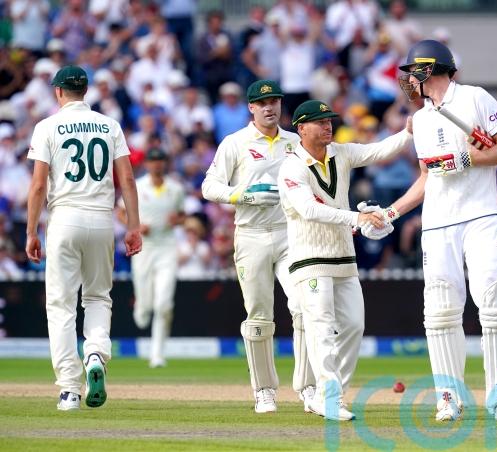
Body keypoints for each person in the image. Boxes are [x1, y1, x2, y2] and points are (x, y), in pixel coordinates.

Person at [387, 40, 497, 421]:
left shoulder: (476, 98)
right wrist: (392, 211)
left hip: (479, 215)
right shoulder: (421, 120)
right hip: (437, 223)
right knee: (440, 309)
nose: (408, 80)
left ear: (428, 69)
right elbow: (427, 178)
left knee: (496, 301)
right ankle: (448, 397)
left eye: (412, 72)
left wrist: (468, 157)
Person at [278, 100, 412, 421]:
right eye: (320, 122)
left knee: (353, 325)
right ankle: (329, 397)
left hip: (343, 257)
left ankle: (330, 395)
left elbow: (378, 151)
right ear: (302, 128)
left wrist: (408, 133)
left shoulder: (342, 153)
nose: (328, 126)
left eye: (329, 121)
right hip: (310, 257)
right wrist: (357, 218)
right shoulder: (292, 167)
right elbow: (309, 209)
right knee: (322, 327)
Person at [25, 65, 142, 410]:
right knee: (98, 297)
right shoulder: (110, 125)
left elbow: (38, 185)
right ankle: (95, 355)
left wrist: (31, 231)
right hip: (101, 219)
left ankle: (69, 390)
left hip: (64, 218)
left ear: (58, 91)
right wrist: (133, 226)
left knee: (61, 304)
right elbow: (128, 180)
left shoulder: (47, 126)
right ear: (86, 91)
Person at [201, 80, 315, 414]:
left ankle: (308, 387)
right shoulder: (235, 143)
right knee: (259, 317)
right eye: (262, 103)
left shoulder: (295, 142)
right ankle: (264, 391)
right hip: (251, 235)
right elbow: (209, 186)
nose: (269, 108)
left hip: (290, 233)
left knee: (305, 307)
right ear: (251, 107)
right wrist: (242, 195)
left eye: (274, 101)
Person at [117, 148, 185, 368]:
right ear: (147, 164)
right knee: (145, 309)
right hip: (143, 248)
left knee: (164, 304)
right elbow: (120, 211)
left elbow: (182, 215)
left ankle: (157, 355)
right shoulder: (138, 185)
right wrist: (135, 226)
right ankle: (141, 306)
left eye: (160, 160)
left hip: (167, 248)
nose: (157, 164)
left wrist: (177, 220)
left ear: (165, 163)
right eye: (153, 161)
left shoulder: (175, 189)